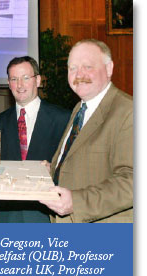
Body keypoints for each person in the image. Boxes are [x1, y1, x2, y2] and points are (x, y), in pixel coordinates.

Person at [40, 39, 133, 223]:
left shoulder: (129, 111)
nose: (79, 75)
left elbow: (131, 181)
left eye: (88, 66)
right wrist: (54, 170)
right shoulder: (80, 108)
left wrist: (76, 202)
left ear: (109, 69)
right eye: (72, 68)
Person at [0, 56, 70, 223]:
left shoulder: (63, 119)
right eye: (14, 79)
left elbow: (73, 168)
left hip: (47, 214)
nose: (20, 85)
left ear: (38, 80)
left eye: (26, 78)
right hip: (6, 216)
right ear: (9, 83)